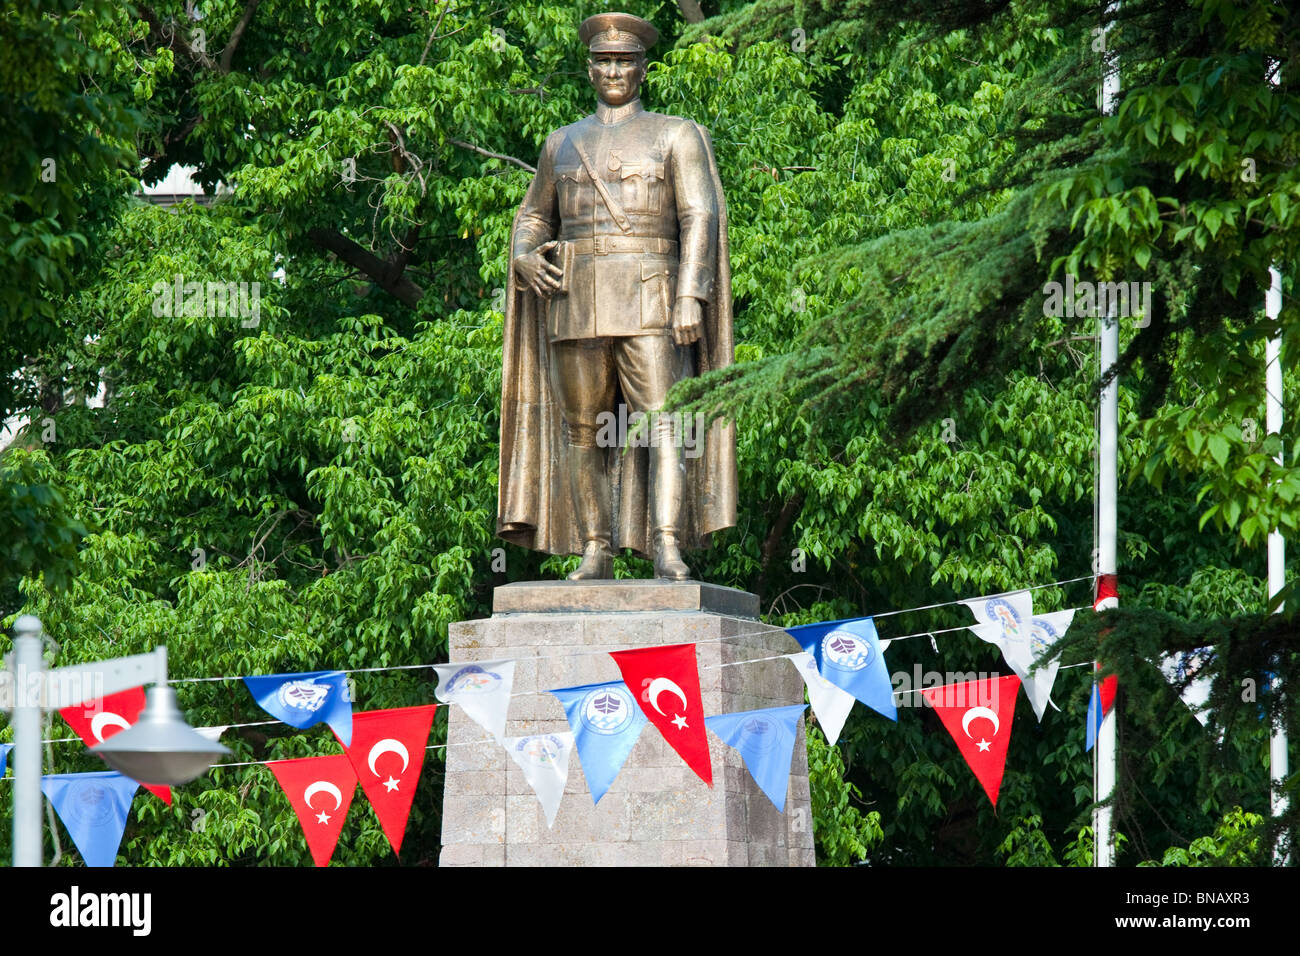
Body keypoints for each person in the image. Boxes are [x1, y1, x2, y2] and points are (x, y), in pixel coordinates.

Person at [497, 12, 737, 581]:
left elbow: (699, 216)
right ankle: (595, 547)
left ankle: (667, 545)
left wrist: (689, 297)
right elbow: (533, 216)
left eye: (624, 61)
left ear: (642, 69)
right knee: (583, 430)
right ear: (589, 69)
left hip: (652, 296)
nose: (613, 70)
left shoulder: (676, 134)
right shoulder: (562, 143)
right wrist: (524, 254)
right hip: (577, 301)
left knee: (665, 426)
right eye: (604, 61)